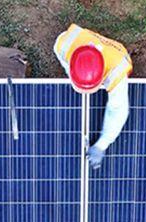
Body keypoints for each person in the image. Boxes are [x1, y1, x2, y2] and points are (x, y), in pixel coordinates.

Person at [52, 24, 132, 170]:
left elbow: (118, 111)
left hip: (117, 54)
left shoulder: (117, 73)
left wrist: (102, 145)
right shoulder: (63, 45)